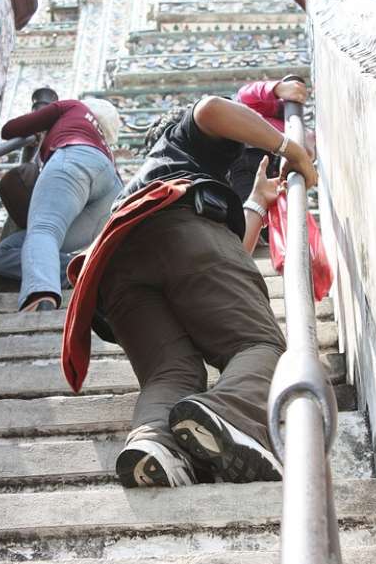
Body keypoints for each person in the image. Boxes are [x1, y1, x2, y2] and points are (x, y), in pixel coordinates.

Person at [62, 86, 317, 488]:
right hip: (180, 233)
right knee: (258, 345)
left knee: (170, 374)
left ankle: (155, 444)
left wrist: (254, 204)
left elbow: (223, 260)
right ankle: (227, 416)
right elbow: (213, 109)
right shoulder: (180, 140)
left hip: (114, 272)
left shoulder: (156, 188)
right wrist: (290, 147)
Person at [0, 96, 123, 312]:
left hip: (75, 158)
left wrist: (41, 130)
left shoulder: (73, 107)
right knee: (4, 254)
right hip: (111, 191)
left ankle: (41, 292)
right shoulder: (105, 146)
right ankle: (85, 271)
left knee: (44, 230)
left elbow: (11, 129)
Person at [229, 76, 312, 204]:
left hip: (277, 168)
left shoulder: (298, 128)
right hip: (247, 155)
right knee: (251, 206)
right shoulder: (266, 110)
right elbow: (245, 95)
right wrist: (277, 88)